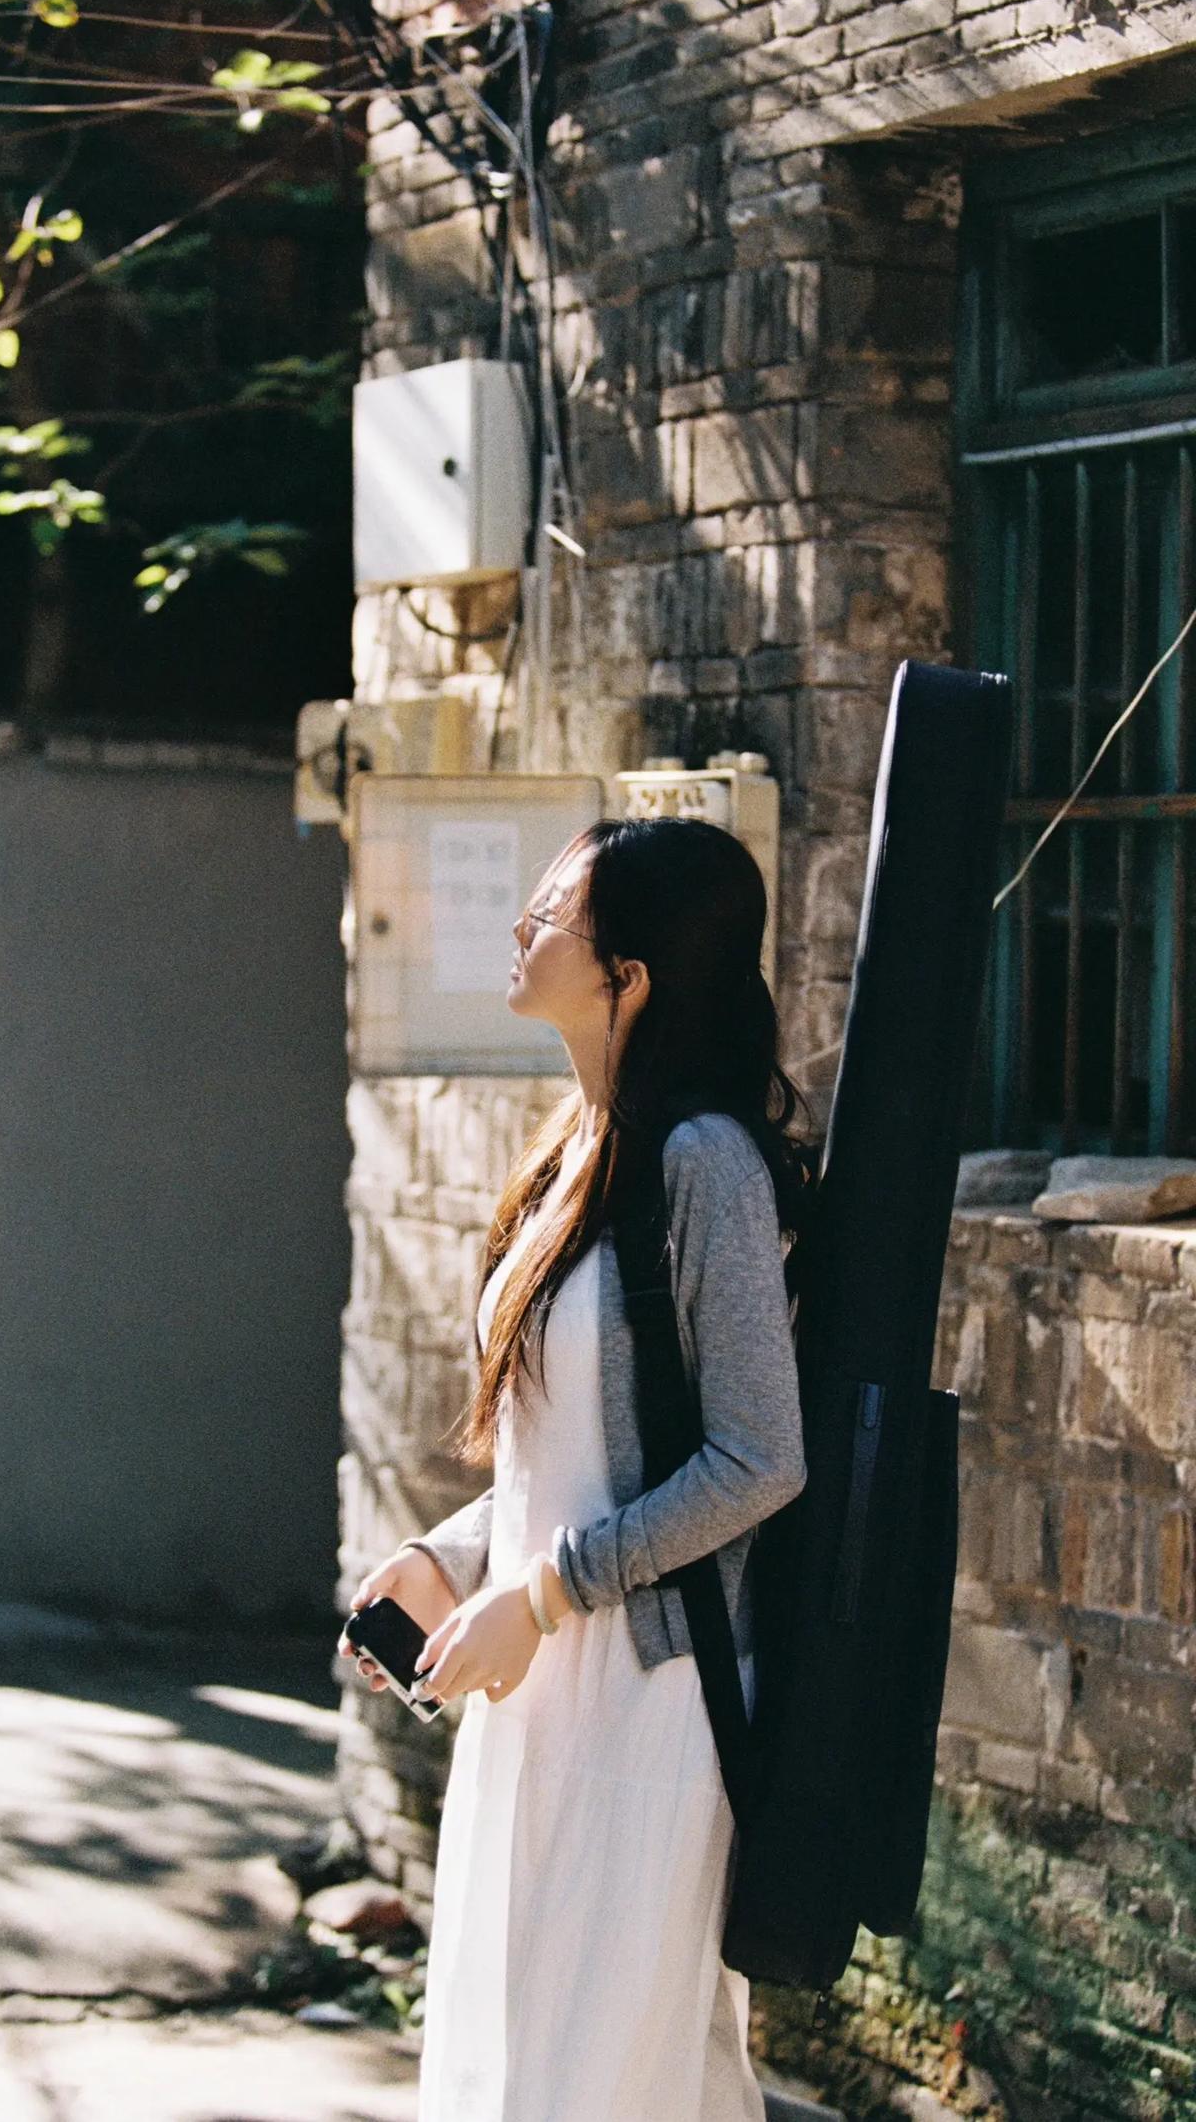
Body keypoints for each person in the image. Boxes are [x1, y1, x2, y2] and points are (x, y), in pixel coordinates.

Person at [340, 813, 814, 2122]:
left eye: (552, 914)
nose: (520, 925)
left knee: (596, 2082)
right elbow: (587, 1453)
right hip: (537, 1691)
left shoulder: (706, 1164)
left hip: (649, 1700)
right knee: (515, 2067)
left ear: (630, 977)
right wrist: (451, 1559)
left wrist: (543, 1592)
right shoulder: (574, 1153)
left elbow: (758, 1460)